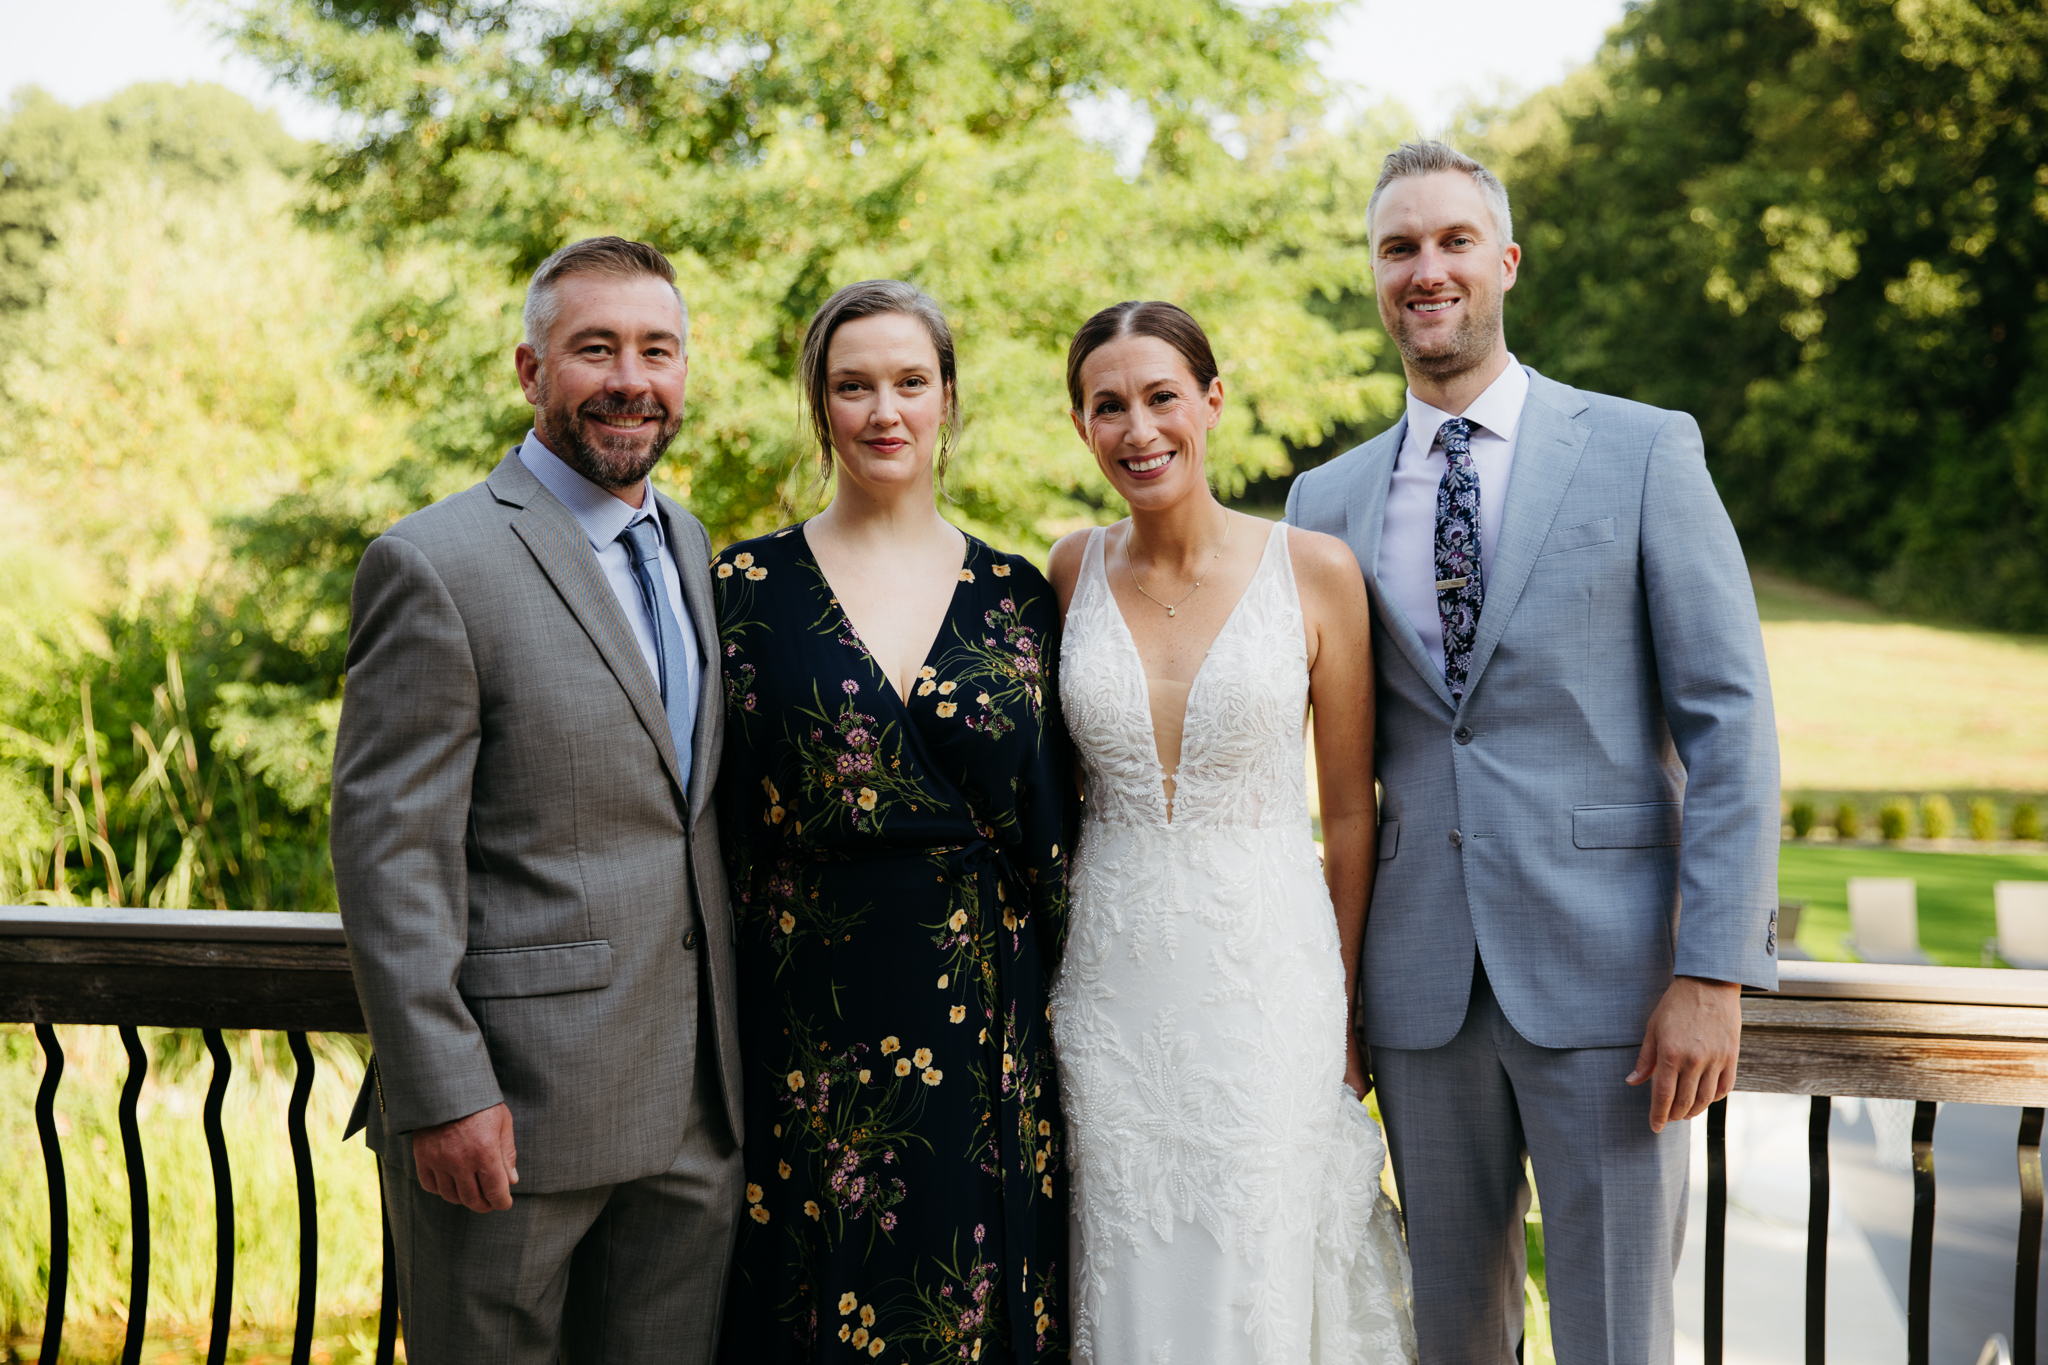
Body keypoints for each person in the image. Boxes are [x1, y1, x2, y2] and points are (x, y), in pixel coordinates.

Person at [1286, 141, 1781, 1362]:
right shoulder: (1322, 502)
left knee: (1616, 1331)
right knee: (1452, 1331)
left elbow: (1731, 722)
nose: (1426, 268)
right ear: (1374, 276)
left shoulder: (1639, 449)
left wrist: (1712, 973)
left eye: (1452, 241)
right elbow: (1325, 779)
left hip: (1616, 986)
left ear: (1502, 263)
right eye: (1398, 247)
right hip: (1416, 989)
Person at [332, 236, 743, 1363]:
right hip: (511, 1122)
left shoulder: (693, 548)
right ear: (529, 370)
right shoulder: (434, 563)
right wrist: (444, 1094)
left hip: (695, 1116)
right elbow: (389, 861)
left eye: (656, 350)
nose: (629, 378)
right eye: (593, 348)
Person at [1046, 300, 1416, 1364]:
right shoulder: (1068, 572)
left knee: (1259, 1258)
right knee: (1118, 1255)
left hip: (1266, 985)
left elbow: (1348, 812)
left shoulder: (1313, 572)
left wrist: (1344, 1010)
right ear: (1081, 426)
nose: (1137, 429)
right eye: (1106, 406)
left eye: (1161, 397)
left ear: (1210, 401)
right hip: (1109, 991)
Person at [711, 279, 1074, 1364]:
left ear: (948, 400)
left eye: (910, 382)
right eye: (852, 385)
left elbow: (1058, 829)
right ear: (818, 405)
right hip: (803, 1013)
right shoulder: (740, 586)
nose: (884, 411)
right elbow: (710, 817)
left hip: (984, 1022)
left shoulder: (1018, 593)